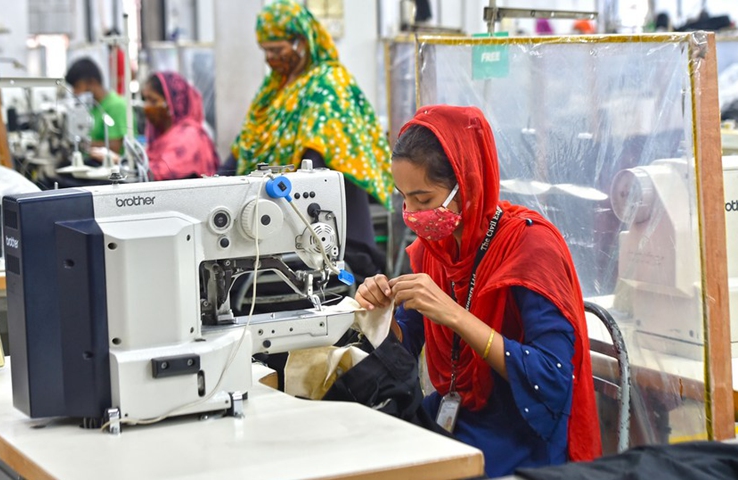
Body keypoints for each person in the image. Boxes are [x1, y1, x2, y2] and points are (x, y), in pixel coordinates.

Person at [355, 105, 601, 477]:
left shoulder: (530, 248)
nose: (412, 213)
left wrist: (454, 315)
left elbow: (552, 378)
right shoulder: (433, 250)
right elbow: (404, 352)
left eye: (424, 200)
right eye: (404, 198)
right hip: (458, 419)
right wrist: (380, 316)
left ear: (467, 183)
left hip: (523, 433)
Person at [220, 0, 392, 279]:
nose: (270, 58)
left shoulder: (329, 83)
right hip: (277, 217)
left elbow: (315, 157)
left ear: (301, 41)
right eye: (265, 51)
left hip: (323, 225)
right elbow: (247, 141)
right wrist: (218, 181)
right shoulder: (273, 88)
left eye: (277, 50)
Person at [141, 72, 219, 180]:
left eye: (153, 100)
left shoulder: (189, 135)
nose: (147, 106)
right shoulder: (160, 133)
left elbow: (165, 171)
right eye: (145, 100)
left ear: (172, 102)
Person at [65, 57, 130, 155]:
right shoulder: (92, 107)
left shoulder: (116, 106)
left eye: (77, 86)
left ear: (92, 82)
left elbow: (115, 147)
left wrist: (82, 144)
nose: (75, 92)